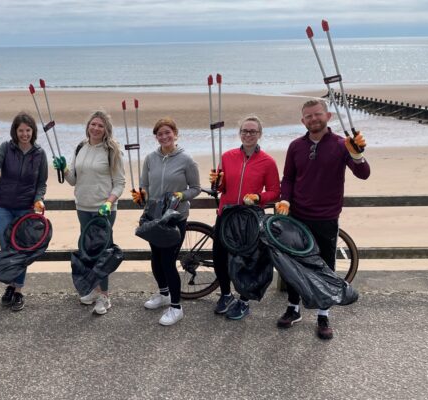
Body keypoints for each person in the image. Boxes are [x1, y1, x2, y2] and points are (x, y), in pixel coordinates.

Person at [275, 99, 370, 340]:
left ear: (328, 116)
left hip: (326, 217)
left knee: (325, 267)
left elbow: (364, 173)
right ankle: (293, 308)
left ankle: (323, 314)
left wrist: (356, 155)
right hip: (297, 217)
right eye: (308, 116)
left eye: (317, 114)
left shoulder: (341, 144)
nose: (313, 119)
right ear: (302, 120)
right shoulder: (295, 146)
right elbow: (288, 178)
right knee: (295, 265)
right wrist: (285, 199)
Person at [209, 115, 280, 320]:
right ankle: (225, 294)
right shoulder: (227, 156)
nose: (248, 135)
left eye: (253, 131)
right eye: (245, 131)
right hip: (226, 215)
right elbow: (222, 188)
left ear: (260, 134)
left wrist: (259, 197)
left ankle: (244, 300)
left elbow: (275, 192)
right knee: (220, 258)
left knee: (248, 262)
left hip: (249, 218)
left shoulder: (268, 162)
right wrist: (217, 183)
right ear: (240, 133)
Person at [55, 110, 126, 315]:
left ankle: (104, 296)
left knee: (103, 253)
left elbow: (120, 183)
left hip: (103, 210)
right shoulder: (81, 147)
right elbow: (74, 181)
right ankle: (94, 291)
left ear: (106, 130)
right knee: (88, 251)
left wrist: (109, 202)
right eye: (93, 124)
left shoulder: (112, 151)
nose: (95, 128)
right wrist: (64, 170)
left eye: (100, 126)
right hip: (83, 208)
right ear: (88, 126)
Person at [134, 117, 201, 326]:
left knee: (168, 261)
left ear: (175, 133)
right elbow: (144, 185)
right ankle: (163, 294)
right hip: (154, 216)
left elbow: (196, 188)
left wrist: (182, 195)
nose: (164, 137)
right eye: (160, 134)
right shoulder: (149, 158)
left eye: (167, 132)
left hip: (175, 217)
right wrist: (141, 195)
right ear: (156, 137)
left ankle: (176, 307)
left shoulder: (187, 160)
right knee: (155, 258)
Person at [0, 112, 48, 311]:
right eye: (21, 130)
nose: (24, 134)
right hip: (2, 205)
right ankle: (9, 286)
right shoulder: (6, 147)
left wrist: (39, 199)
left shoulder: (40, 154)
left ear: (33, 131)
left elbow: (42, 184)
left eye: (28, 130)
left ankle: (18, 290)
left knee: (21, 249)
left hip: (25, 208)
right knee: (7, 247)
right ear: (15, 131)